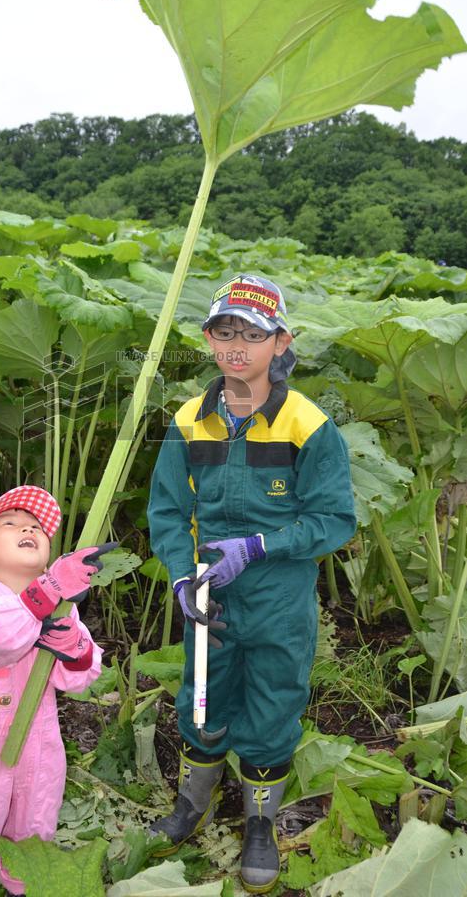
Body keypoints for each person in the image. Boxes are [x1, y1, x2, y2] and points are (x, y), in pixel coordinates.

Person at [147, 274, 356, 893]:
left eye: (251, 334)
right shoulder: (190, 419)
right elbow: (164, 509)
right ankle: (195, 800)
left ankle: (260, 825)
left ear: (280, 342)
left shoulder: (308, 424)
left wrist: (259, 546)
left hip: (278, 594)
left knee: (272, 701)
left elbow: (333, 519)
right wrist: (183, 577)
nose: (235, 347)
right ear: (209, 340)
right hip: (211, 591)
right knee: (201, 698)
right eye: (223, 333)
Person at [0, 485, 105, 897]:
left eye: (36, 527)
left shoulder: (63, 607)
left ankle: (23, 887)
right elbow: (1, 638)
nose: (28, 528)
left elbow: (80, 677)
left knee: (33, 828)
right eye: (10, 524)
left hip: (39, 738)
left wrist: (75, 650)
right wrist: (47, 590)